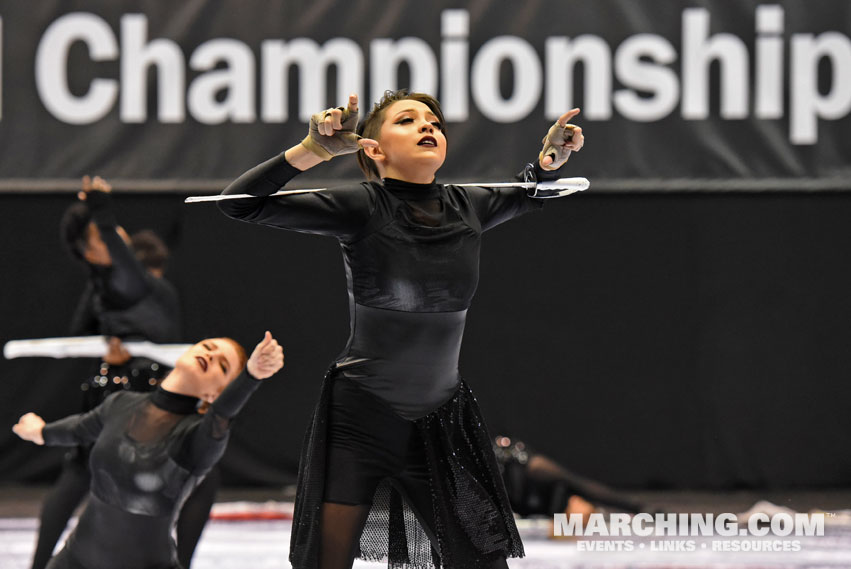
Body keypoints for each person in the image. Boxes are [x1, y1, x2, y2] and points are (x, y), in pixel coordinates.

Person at [218, 89, 584, 569]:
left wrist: (548, 163)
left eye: (434, 122)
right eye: (407, 121)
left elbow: (530, 192)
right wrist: (313, 151)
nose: (428, 127)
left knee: (482, 561)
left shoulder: (469, 205)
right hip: (361, 419)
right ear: (373, 148)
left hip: (441, 421)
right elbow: (239, 203)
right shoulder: (362, 206)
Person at [30, 175, 204, 569]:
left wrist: (99, 208)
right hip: (121, 399)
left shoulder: (131, 283)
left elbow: (161, 334)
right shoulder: (110, 284)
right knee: (75, 481)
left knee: (196, 485)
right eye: (102, 238)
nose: (114, 239)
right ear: (92, 252)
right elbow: (77, 336)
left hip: (146, 399)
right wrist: (99, 207)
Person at [12, 332, 285, 569]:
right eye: (207, 347)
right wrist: (41, 432)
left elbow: (223, 414)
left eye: (223, 366)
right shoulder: (121, 403)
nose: (211, 355)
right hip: (73, 562)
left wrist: (251, 376)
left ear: (214, 395)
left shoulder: (199, 440)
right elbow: (79, 429)